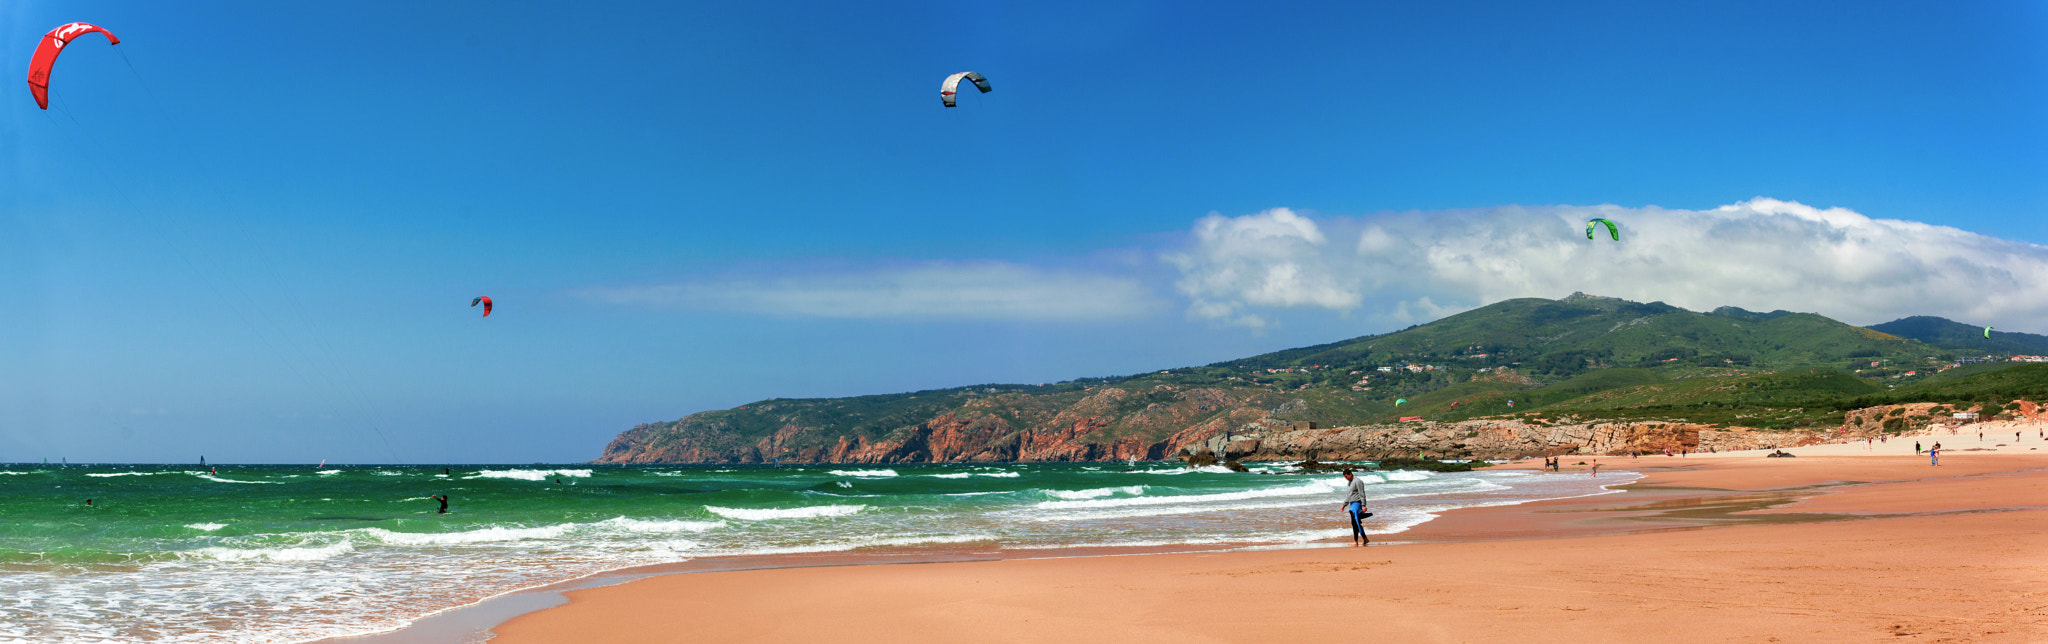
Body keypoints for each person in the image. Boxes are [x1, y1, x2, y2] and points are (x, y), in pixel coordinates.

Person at [1340, 469, 1369, 546]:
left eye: (1346, 476)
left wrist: (1363, 505)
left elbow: (1362, 493)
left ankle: (1356, 541)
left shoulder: (1358, 481)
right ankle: (1364, 538)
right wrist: (1344, 505)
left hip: (1357, 504)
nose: (1346, 478)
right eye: (1345, 477)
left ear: (1350, 474)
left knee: (1355, 522)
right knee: (1355, 523)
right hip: (1352, 504)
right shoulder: (1349, 483)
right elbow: (1349, 495)